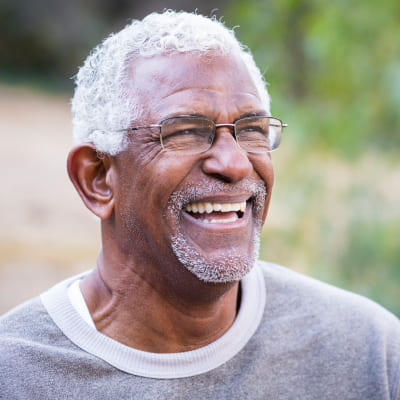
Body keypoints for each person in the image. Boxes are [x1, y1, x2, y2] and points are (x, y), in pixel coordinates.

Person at [1, 10, 399, 400]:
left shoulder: (368, 355)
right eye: (187, 131)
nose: (234, 163)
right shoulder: (15, 374)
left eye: (251, 130)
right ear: (98, 178)